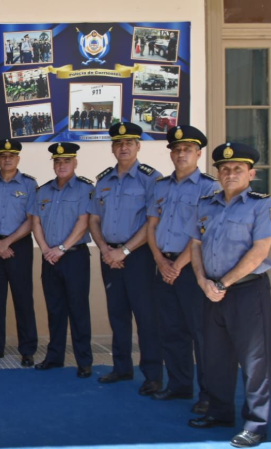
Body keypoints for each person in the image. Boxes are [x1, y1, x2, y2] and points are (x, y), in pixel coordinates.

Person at [186, 142, 271, 448]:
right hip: (210, 292)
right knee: (215, 357)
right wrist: (202, 282)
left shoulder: (262, 205)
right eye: (224, 169)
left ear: (251, 173)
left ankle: (256, 424)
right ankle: (221, 412)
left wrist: (223, 284)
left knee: (255, 361)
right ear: (218, 174)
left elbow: (260, 250)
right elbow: (195, 245)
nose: (230, 173)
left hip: (247, 291)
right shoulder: (206, 204)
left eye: (237, 169)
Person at [88, 122, 163, 395]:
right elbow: (94, 220)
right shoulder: (103, 180)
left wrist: (125, 251)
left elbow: (152, 222)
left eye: (129, 143)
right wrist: (106, 250)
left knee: (146, 317)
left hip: (139, 256)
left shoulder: (152, 178)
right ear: (112, 148)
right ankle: (121, 367)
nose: (123, 147)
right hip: (109, 256)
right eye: (118, 143)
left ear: (138, 146)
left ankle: (153, 374)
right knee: (117, 314)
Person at [146, 126, 218, 413]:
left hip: (190, 269)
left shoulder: (208, 187)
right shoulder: (161, 186)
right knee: (171, 330)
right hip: (163, 266)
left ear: (198, 153)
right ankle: (178, 385)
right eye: (176, 149)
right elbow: (151, 226)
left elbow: (203, 231)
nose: (180, 153)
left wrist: (177, 264)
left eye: (187, 149)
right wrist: (161, 261)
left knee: (200, 333)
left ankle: (208, 394)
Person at [29, 142, 94, 378]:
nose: (61, 165)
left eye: (66, 160)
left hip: (74, 257)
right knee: (55, 309)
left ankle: (84, 360)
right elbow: (35, 221)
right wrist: (46, 249)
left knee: (78, 310)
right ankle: (54, 356)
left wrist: (62, 248)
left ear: (75, 163)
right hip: (50, 258)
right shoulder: (43, 191)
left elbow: (84, 221)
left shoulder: (85, 189)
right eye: (57, 161)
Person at [0, 138, 38, 367]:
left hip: (19, 246)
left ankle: (28, 349)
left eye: (11, 156)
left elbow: (32, 221)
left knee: (23, 299)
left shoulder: (29, 185)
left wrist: (8, 242)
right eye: (3, 156)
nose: (7, 159)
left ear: (18, 159)